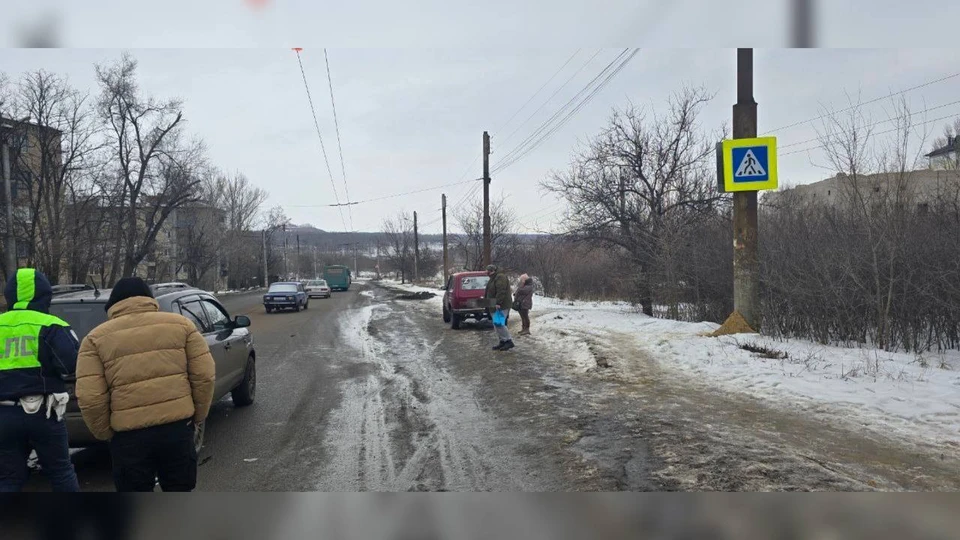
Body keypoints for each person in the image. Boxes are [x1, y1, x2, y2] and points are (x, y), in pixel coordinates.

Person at [76, 277, 215, 492]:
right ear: (150, 299)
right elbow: (204, 375)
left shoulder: (94, 339)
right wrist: (197, 416)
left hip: (129, 438)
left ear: (112, 304)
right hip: (177, 429)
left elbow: (90, 397)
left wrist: (107, 433)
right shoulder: (182, 326)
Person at [0, 268, 81, 492]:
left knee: (8, 479)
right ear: (45, 295)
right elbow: (70, 365)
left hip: (4, 416)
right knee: (61, 473)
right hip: (44, 413)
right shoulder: (52, 325)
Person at [484, 264, 514, 351]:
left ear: (492, 271)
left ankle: (508, 341)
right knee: (496, 324)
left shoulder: (500, 277)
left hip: (501, 305)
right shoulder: (494, 278)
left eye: (488, 272)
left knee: (499, 323)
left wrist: (498, 302)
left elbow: (501, 291)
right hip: (494, 304)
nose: (487, 273)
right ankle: (503, 341)